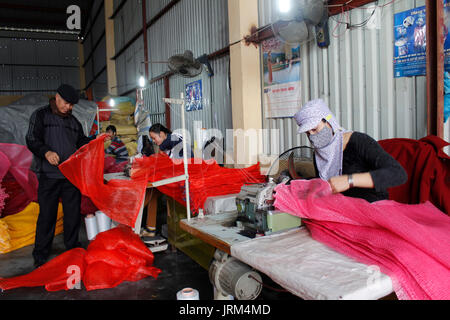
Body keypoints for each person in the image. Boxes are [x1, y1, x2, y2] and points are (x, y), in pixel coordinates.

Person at [26, 84, 93, 268]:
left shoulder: (74, 122)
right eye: (66, 103)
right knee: (47, 215)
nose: (68, 107)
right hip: (49, 175)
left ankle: (72, 248)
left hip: (70, 176)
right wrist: (46, 152)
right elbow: (31, 139)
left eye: (71, 105)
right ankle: (40, 254)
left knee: (72, 215)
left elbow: (81, 142)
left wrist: (96, 139)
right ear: (57, 97)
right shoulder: (41, 115)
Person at [293, 99, 408, 203]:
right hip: (341, 209)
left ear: (329, 121)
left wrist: (349, 180)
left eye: (314, 129)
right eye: (308, 133)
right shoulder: (319, 154)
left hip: (372, 208)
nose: (312, 136)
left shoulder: (358, 141)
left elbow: (398, 174)